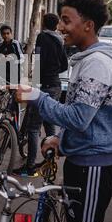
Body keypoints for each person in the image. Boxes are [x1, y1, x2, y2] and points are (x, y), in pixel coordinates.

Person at [14, 0, 112, 222]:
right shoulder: (87, 59)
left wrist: (36, 96)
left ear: (88, 25)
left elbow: (78, 118)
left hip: (94, 165)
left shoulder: (97, 63)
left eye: (66, 20)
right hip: (84, 162)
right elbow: (86, 117)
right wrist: (61, 142)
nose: (60, 27)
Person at [13, 13, 68, 177]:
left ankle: (29, 167)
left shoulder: (42, 37)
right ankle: (50, 161)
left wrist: (34, 87)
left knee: (33, 128)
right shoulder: (59, 40)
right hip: (56, 85)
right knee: (49, 124)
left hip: (44, 86)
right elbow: (64, 64)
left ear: (43, 23)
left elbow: (37, 62)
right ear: (56, 25)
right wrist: (52, 72)